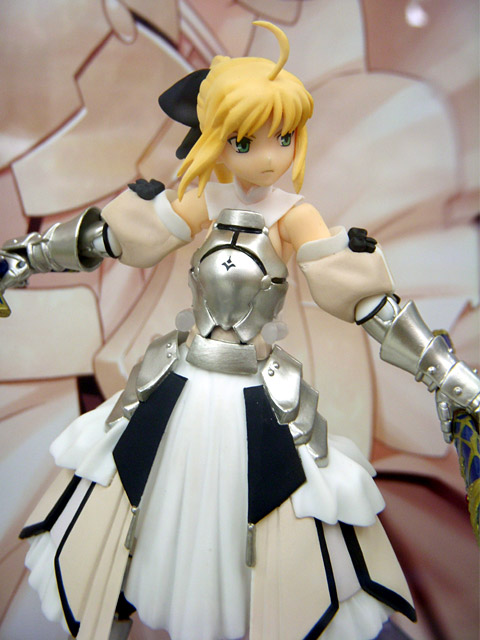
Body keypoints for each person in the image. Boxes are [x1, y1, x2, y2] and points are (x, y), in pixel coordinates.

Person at [1, 20, 478, 640]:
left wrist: (444, 372)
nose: (271, 156)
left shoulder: (294, 217)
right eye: (247, 141)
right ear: (216, 139)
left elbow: (360, 297)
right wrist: (24, 256)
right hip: (178, 382)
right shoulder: (202, 200)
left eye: (285, 137)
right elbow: (114, 238)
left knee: (275, 530)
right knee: (127, 519)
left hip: (255, 395)